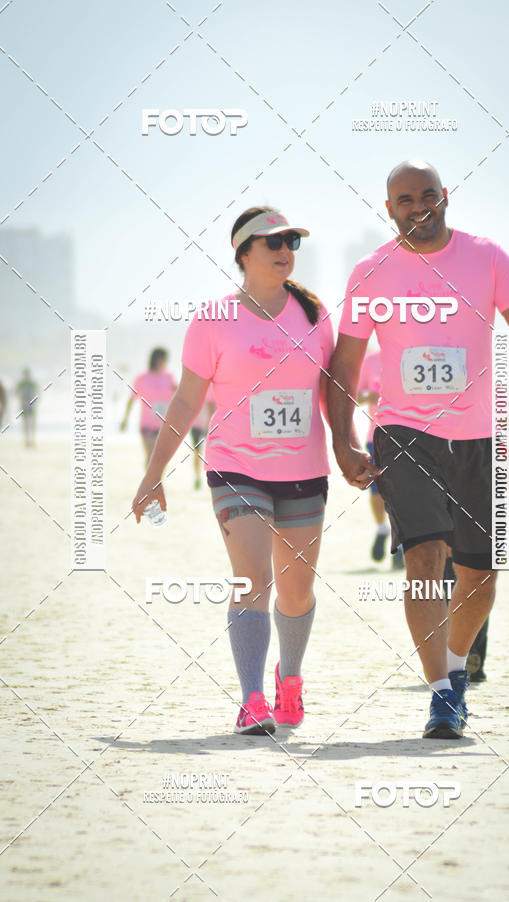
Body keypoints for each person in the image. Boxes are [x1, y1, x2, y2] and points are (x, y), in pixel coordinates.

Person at [328, 159, 509, 739]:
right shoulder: (371, 271)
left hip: (483, 437)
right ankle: (443, 694)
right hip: (406, 434)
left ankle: (453, 667)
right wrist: (344, 438)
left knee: (481, 576)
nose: (418, 206)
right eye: (405, 199)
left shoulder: (487, 256)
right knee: (425, 563)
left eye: (428, 195)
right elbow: (345, 364)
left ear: (445, 197)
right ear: (389, 208)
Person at [131, 206, 337, 735]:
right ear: (243, 251)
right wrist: (154, 475)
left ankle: (288, 680)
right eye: (272, 242)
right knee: (253, 578)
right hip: (235, 466)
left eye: (292, 240)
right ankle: (251, 699)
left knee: (296, 590)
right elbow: (185, 402)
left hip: (303, 469)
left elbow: (334, 392)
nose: (285, 249)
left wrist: (353, 447)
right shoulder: (213, 319)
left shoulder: (315, 316)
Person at [357, 350, 404, 567]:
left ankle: (400, 544)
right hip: (375, 436)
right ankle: (382, 530)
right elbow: (356, 395)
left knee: (400, 493)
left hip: (407, 434)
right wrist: (370, 396)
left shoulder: (411, 353)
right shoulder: (371, 360)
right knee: (377, 494)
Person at [120, 348, 177, 465]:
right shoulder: (142, 378)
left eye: (165, 360)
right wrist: (125, 420)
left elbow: (179, 398)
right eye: (161, 359)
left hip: (164, 425)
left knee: (160, 459)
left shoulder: (169, 377)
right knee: (151, 456)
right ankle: (152, 482)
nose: (163, 362)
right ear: (155, 359)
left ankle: (154, 481)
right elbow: (131, 400)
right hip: (147, 425)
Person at [190, 386, 216, 490]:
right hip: (203, 425)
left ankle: (197, 477)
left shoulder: (196, 386)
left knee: (197, 452)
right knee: (203, 453)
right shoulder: (211, 386)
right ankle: (198, 477)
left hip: (197, 424)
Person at [16, 368, 38, 448]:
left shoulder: (31, 383)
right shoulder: (22, 383)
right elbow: (17, 393)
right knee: (26, 424)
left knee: (31, 424)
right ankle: (27, 441)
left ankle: (31, 440)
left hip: (31, 406)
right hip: (24, 406)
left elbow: (37, 393)